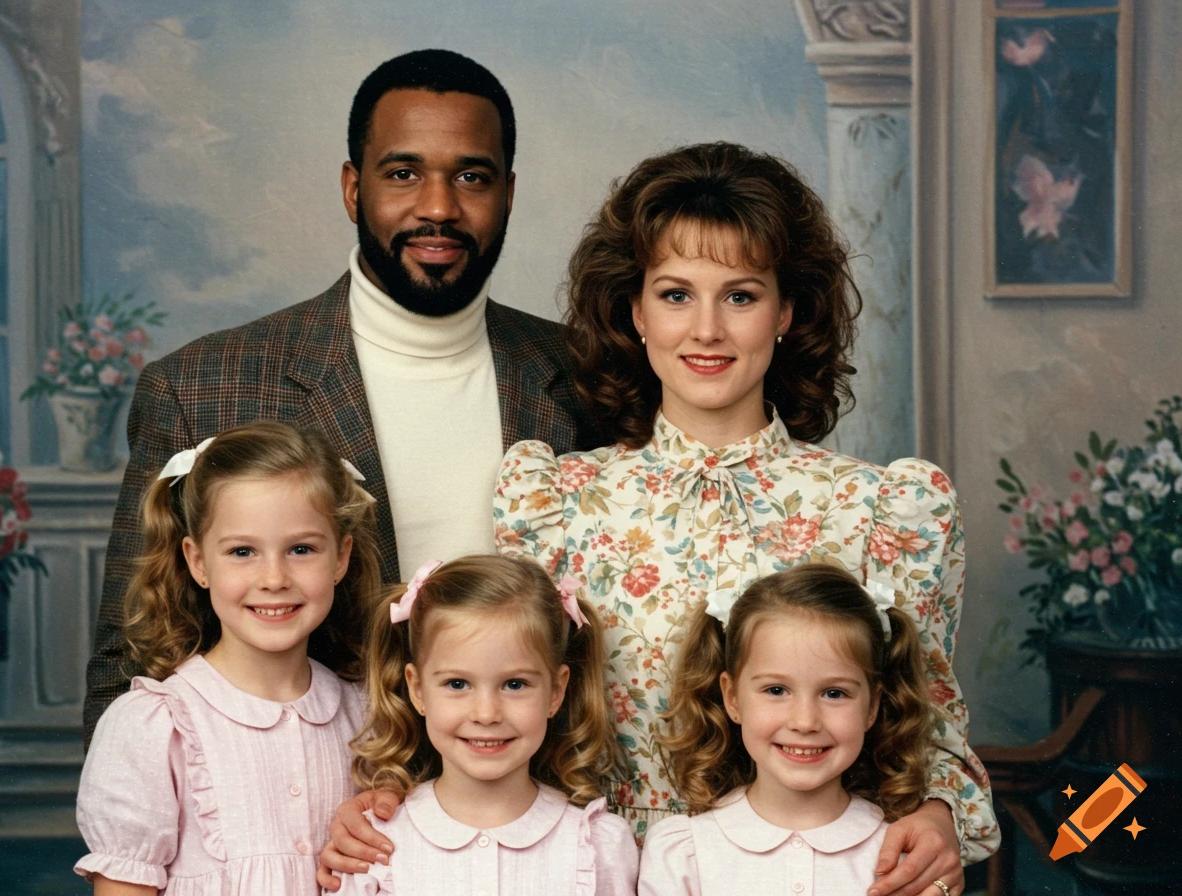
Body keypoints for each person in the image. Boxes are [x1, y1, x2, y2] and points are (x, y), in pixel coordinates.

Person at [323, 144, 995, 895]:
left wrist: (938, 812)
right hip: (582, 868)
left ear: (787, 312)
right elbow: (497, 685)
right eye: (677, 295)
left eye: (740, 296)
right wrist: (391, 800)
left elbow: (930, 724)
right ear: (636, 311)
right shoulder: (556, 498)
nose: (706, 329)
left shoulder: (882, 508)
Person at [84, 48, 597, 747]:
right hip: (294, 825)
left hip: (532, 818)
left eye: (471, 176)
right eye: (404, 173)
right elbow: (128, 672)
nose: (439, 207)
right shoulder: (200, 387)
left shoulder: (591, 376)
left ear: (508, 193)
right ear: (354, 189)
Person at [74, 422, 380, 894]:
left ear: (340, 557)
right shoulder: (157, 724)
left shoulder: (366, 716)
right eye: (242, 552)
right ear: (198, 562)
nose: (274, 578)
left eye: (301, 549)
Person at [335, 555, 637, 895]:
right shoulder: (372, 845)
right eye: (458, 684)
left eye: (514, 684)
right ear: (417, 690)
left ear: (556, 691)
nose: (486, 713)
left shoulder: (597, 846)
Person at [638, 564, 938, 896]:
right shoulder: (684, 854)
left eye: (834, 693)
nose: (805, 722)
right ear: (733, 698)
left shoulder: (900, 860)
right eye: (777, 690)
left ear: (871, 707)